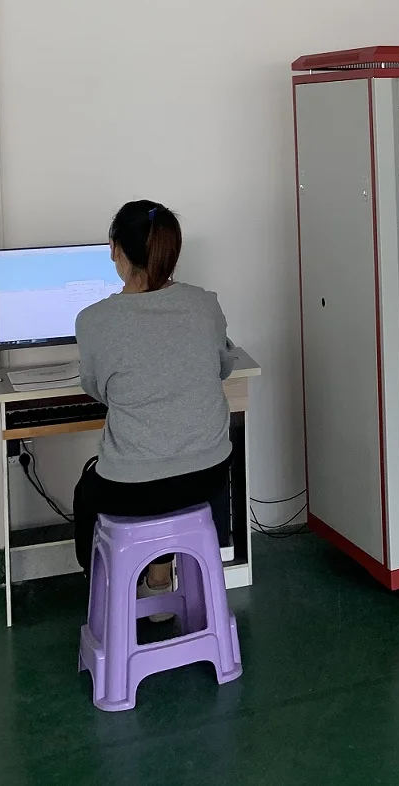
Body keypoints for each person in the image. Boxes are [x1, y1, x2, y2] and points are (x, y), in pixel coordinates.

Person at [72, 200, 236, 593]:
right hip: (209, 475)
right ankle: (160, 577)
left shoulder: (93, 319)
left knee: (87, 492)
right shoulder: (205, 304)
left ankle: (107, 593)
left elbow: (96, 389)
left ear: (115, 249)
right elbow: (223, 367)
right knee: (168, 476)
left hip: (132, 488)